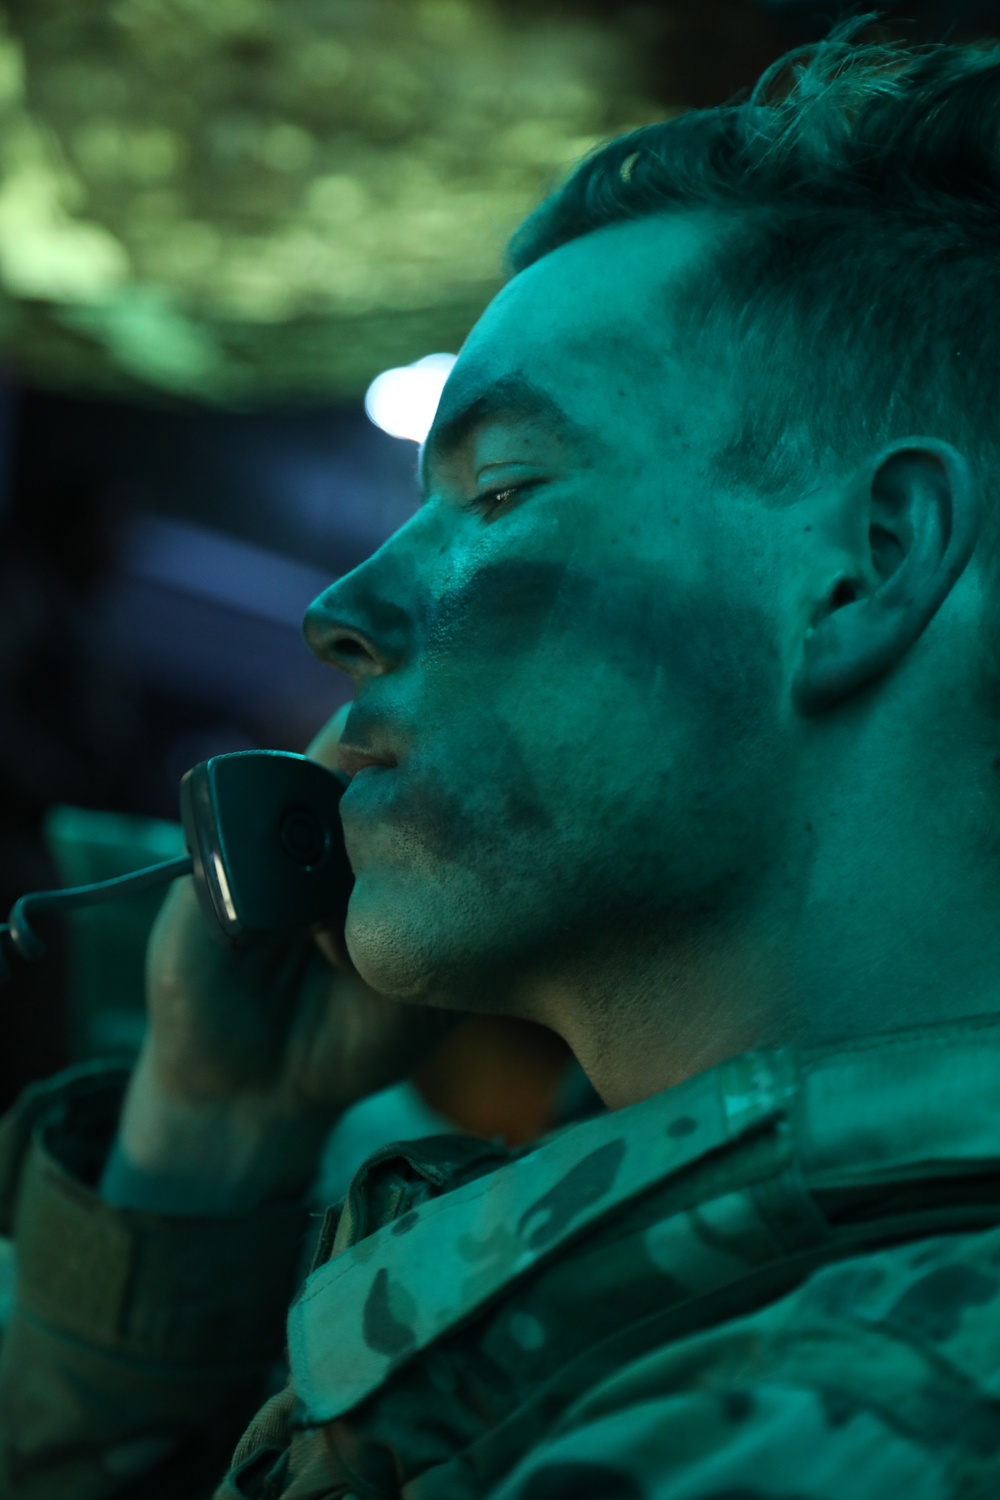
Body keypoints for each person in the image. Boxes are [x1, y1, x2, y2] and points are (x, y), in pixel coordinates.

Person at [5, 17, 1000, 1497]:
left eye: (501, 489)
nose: (339, 612)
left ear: (868, 565)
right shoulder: (684, 1312)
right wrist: (210, 1145)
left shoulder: (850, 1430)